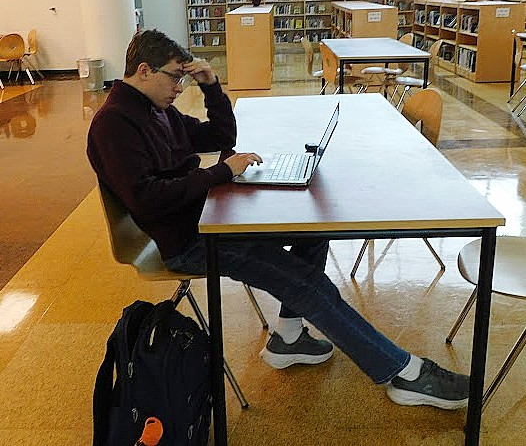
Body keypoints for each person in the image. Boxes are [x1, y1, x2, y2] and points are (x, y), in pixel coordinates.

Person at [87, 29, 469, 410]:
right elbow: (149, 201)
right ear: (143, 71)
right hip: (185, 240)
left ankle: (288, 336)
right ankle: (403, 373)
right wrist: (221, 173)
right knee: (304, 282)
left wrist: (212, 87)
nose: (178, 86)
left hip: (207, 214)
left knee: (313, 233)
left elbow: (221, 134)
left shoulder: (157, 109)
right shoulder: (114, 124)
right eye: (175, 76)